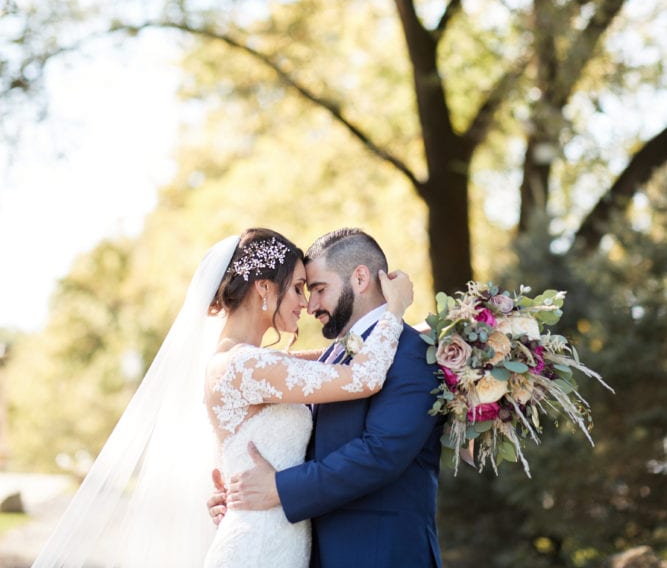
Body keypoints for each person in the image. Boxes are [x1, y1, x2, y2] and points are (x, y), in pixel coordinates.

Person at [30, 229, 412, 568]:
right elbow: (362, 375)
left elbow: (333, 358)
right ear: (264, 287)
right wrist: (395, 309)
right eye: (298, 287)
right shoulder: (245, 366)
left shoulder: (254, 362)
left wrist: (429, 335)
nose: (304, 303)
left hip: (282, 540)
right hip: (257, 548)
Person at [209, 229, 444, 568]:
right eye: (302, 289)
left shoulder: (411, 352)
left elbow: (380, 453)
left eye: (318, 289)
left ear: (360, 277)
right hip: (286, 545)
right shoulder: (332, 359)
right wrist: (235, 489)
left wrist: (279, 488)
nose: (309, 305)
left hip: (380, 555)